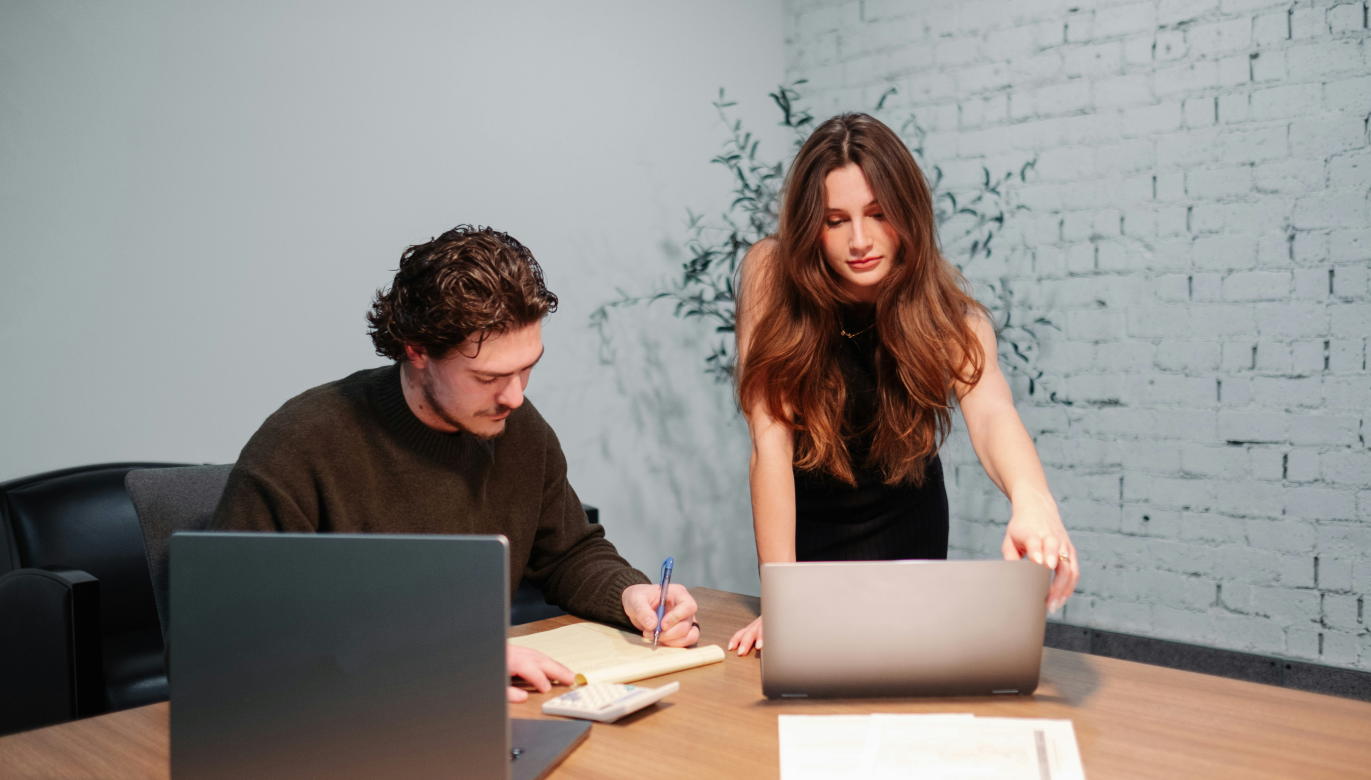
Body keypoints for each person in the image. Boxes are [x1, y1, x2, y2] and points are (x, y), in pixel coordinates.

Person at [210, 225, 700, 700]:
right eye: (489, 377)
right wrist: (447, 663)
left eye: (527, 368)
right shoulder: (303, 444)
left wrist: (629, 595)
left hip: (474, 715)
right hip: (344, 722)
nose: (514, 396)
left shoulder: (521, 432)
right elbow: (232, 640)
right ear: (416, 349)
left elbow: (569, 553)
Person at [727, 113, 1080, 656]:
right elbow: (768, 442)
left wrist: (1035, 503)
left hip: (908, 533)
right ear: (808, 226)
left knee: (905, 685)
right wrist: (783, 597)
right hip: (808, 540)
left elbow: (992, 414)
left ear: (908, 213)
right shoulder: (770, 275)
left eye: (878, 214)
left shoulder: (949, 315)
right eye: (835, 220)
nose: (860, 240)